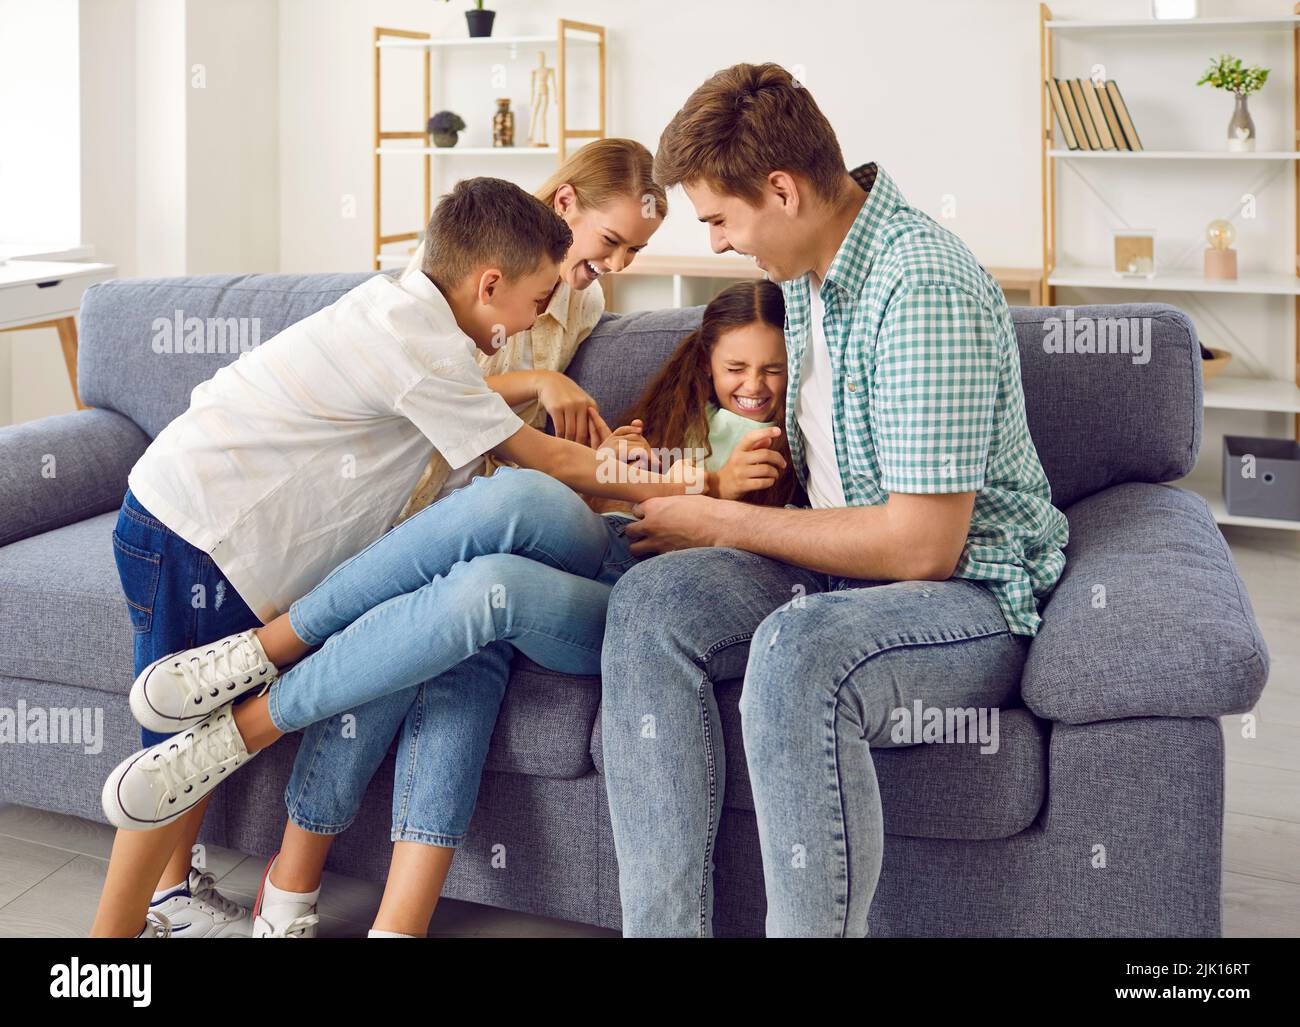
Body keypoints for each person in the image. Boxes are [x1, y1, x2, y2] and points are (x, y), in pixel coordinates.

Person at [91, 174, 688, 938]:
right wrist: (691, 476)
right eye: (537, 300)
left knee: (198, 717)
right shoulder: (421, 344)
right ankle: (108, 947)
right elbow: (546, 459)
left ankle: (170, 897)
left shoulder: (411, 315)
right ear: (490, 282)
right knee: (175, 744)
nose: (540, 317)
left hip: (222, 532)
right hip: (197, 526)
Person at [599, 63, 1071, 937]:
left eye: (719, 221)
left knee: (796, 649)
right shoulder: (809, 282)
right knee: (648, 603)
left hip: (962, 599)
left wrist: (716, 519)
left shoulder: (916, 284)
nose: (715, 247)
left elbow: (924, 546)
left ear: (780, 190)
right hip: (835, 583)